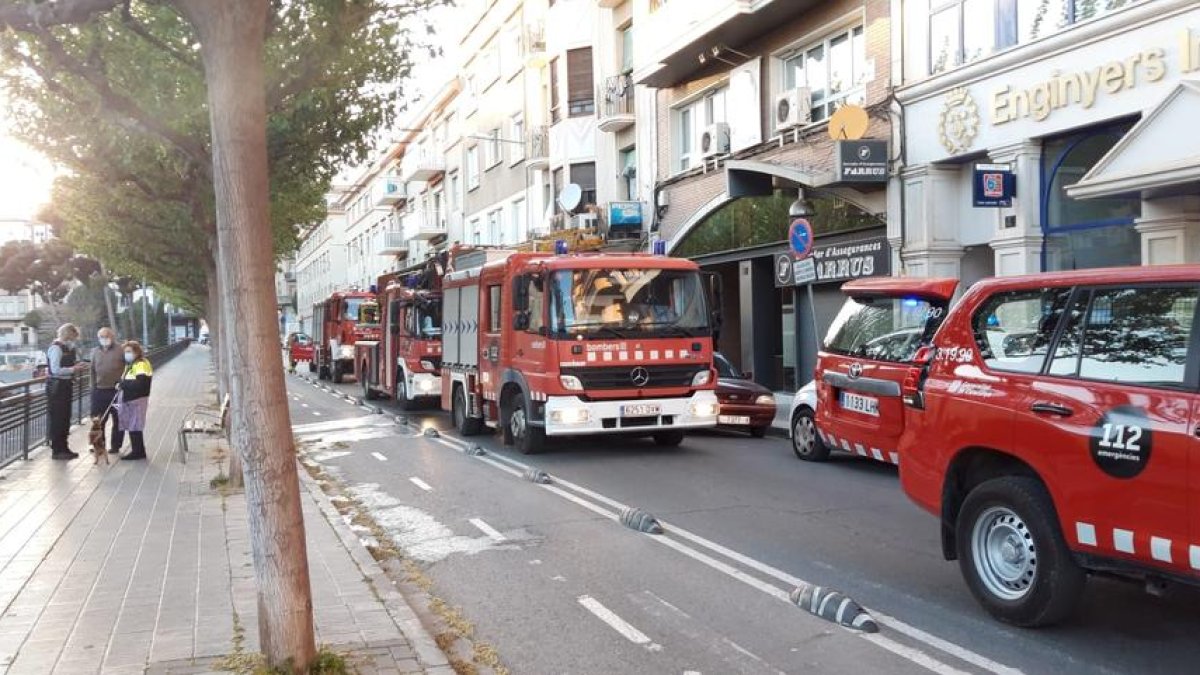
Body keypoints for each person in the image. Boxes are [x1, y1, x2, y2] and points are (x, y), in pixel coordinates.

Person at [46, 323, 81, 460]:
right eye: (73, 336)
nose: (74, 340)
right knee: (58, 418)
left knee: (65, 417)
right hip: (57, 387)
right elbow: (55, 370)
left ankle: (63, 447)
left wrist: (75, 367)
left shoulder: (66, 348)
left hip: (64, 385)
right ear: (68, 334)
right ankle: (57, 449)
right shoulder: (56, 348)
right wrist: (73, 369)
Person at [115, 341, 153, 461]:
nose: (126, 354)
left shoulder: (140, 364)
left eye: (129, 352)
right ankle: (139, 450)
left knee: (135, 425)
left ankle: (137, 452)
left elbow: (140, 383)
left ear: (136, 352)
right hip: (132, 398)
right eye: (125, 352)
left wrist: (123, 384)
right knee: (133, 426)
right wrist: (121, 384)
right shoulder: (132, 364)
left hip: (137, 398)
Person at [90, 327, 125, 454]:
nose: (104, 339)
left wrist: (124, 383)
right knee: (98, 420)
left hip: (117, 391)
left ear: (112, 337)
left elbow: (128, 367)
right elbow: (92, 371)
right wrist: (92, 388)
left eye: (106, 336)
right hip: (99, 391)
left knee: (118, 420)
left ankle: (115, 446)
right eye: (101, 337)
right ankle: (99, 445)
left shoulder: (120, 350)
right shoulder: (94, 351)